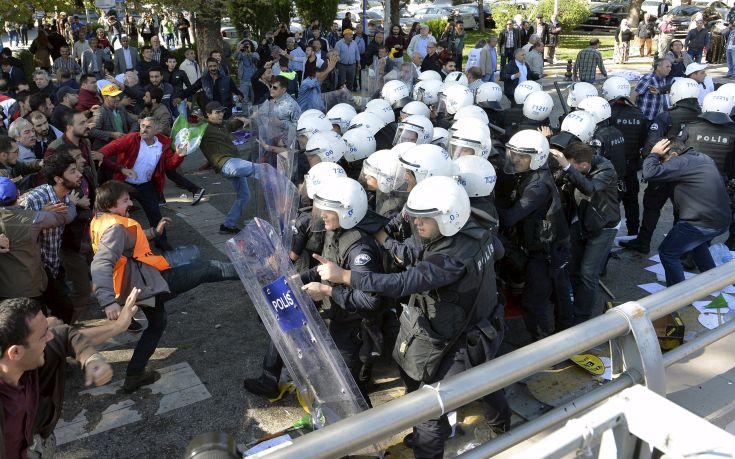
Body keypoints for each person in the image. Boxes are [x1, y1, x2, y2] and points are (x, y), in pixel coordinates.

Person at [317, 176, 511, 458]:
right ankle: (503, 428)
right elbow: (493, 251)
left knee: (427, 412)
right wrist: (383, 236)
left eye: (424, 219)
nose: (416, 224)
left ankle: (449, 436)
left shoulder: (451, 260)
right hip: (482, 328)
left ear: (447, 217)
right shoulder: (477, 231)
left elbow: (403, 283)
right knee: (486, 382)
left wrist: (345, 276)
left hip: (459, 341)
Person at [90, 180, 240, 392]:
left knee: (157, 325)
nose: (130, 203)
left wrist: (153, 232)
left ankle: (134, 375)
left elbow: (128, 241)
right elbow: (101, 263)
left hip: (137, 288)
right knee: (208, 268)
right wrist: (107, 302)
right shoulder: (114, 228)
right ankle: (255, 273)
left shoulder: (102, 220)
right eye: (125, 200)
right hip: (148, 286)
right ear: (110, 206)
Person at [497, 130, 572, 337]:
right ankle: (564, 331)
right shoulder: (529, 175)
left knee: (535, 301)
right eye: (514, 154)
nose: (516, 159)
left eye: (523, 156)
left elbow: (510, 217)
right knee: (556, 291)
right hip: (541, 246)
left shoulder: (538, 185)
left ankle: (544, 347)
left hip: (547, 252)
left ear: (537, 158)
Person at [622, 78, 701, 254]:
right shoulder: (702, 116)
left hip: (665, 169)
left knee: (652, 207)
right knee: (682, 212)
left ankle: (643, 242)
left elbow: (651, 145)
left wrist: (649, 163)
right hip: (689, 173)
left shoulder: (667, 115)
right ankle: (678, 248)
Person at [643, 138, 730, 285]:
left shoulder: (680, 161)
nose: (662, 164)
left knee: (668, 252)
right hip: (719, 219)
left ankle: (678, 297)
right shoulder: (702, 157)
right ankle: (713, 282)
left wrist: (653, 154)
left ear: (674, 154)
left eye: (662, 160)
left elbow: (649, 173)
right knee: (695, 244)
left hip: (700, 222)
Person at [550, 143, 620, 324]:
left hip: (604, 227)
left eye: (572, 166)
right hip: (583, 223)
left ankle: (582, 317)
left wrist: (566, 167)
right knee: (573, 267)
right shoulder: (581, 166)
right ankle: (574, 302)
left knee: (588, 273)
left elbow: (589, 188)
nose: (569, 170)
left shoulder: (606, 170)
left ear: (584, 166)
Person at [98, 117, 184, 251]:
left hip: (145, 185)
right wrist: (101, 154)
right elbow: (114, 146)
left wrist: (178, 155)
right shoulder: (133, 139)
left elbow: (169, 164)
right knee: (118, 214)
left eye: (148, 127)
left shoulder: (163, 144)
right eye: (142, 126)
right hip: (125, 184)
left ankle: (161, 241)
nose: (143, 129)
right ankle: (117, 243)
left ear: (156, 130)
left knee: (155, 213)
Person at [21, 151, 84, 324]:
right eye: (73, 171)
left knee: (63, 310)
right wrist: (39, 215)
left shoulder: (67, 198)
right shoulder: (34, 199)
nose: (79, 174)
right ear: (58, 179)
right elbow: (16, 229)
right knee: (59, 310)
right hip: (36, 270)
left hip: (54, 264)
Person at [198, 101, 260, 233]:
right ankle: (281, 191)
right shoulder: (202, 128)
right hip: (226, 164)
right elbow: (185, 138)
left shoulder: (224, 125)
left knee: (244, 196)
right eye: (217, 112)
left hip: (234, 162)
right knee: (261, 169)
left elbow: (238, 122)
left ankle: (227, 225)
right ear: (208, 114)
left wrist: (251, 117)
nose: (221, 114)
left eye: (222, 111)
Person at [603, 76, 650, 237]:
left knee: (608, 204)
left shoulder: (606, 114)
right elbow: (645, 141)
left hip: (609, 167)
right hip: (630, 165)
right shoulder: (639, 114)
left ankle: (605, 236)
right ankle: (633, 233)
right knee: (631, 201)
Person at [179, 57, 243, 119]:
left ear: (218, 66)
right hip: (211, 113)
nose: (213, 68)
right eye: (210, 66)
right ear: (207, 67)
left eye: (214, 66)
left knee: (226, 129)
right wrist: (180, 97)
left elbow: (235, 90)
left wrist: (240, 95)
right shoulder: (203, 80)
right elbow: (192, 89)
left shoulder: (227, 79)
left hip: (224, 112)